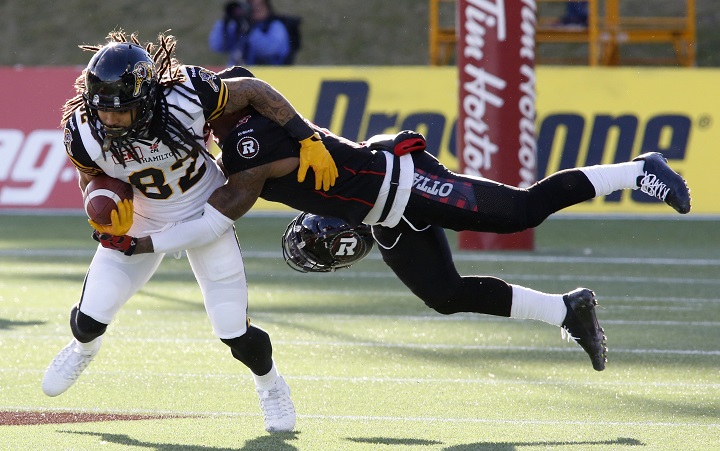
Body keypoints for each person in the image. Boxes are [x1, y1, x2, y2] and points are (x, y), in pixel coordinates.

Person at [93, 66, 692, 374]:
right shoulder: (238, 125)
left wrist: (144, 241)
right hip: (384, 214)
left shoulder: (245, 143)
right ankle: (568, 309)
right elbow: (255, 92)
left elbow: (217, 218)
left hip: (401, 186)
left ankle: (638, 169)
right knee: (444, 294)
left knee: (517, 211)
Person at [42, 35, 337, 434]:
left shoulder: (186, 94)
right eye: (103, 110)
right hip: (142, 216)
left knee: (234, 332)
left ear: (146, 98)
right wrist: (100, 214)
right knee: (87, 321)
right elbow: (91, 180)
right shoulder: (83, 130)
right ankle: (83, 348)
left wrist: (306, 135)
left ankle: (270, 385)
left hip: (206, 207)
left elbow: (253, 90)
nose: (109, 121)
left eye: (121, 110)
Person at [208, 1, 251, 66]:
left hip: (259, 68)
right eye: (234, 11)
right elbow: (217, 47)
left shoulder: (259, 26)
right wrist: (224, 25)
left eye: (239, 10)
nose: (237, 14)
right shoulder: (230, 27)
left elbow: (267, 49)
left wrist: (251, 29)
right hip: (234, 67)